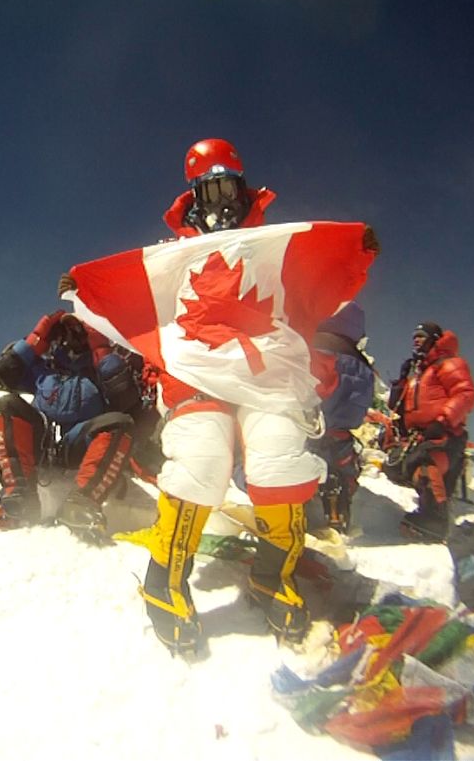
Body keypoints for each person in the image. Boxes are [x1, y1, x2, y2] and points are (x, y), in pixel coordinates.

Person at [134, 138, 377, 651]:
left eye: (230, 186)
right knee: (203, 454)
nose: (223, 201)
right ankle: (165, 580)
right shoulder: (170, 252)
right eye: (211, 189)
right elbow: (137, 302)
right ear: (194, 197)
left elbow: (312, 294)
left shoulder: (273, 244)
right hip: (196, 373)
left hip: (262, 369)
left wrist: (351, 257)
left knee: (280, 455)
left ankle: (273, 574)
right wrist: (90, 292)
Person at [0, 309, 160, 541]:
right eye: (66, 331)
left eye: (79, 331)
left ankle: (82, 502)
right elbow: (3, 375)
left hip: (76, 444)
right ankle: (18, 497)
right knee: (7, 405)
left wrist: (101, 348)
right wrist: (37, 338)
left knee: (119, 423)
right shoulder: (44, 368)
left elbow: (125, 399)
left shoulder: (100, 372)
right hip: (42, 439)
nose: (72, 338)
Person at [386, 322, 474, 541]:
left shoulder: (447, 364)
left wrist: (443, 420)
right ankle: (430, 505)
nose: (416, 340)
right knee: (399, 465)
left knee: (425, 463)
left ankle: (435, 519)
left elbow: (466, 394)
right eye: (414, 336)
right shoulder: (419, 374)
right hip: (420, 435)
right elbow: (397, 406)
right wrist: (400, 382)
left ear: (435, 339)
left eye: (421, 336)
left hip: (444, 435)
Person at [306, 301, 375, 534]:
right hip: (341, 433)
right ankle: (338, 510)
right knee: (340, 463)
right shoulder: (363, 365)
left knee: (300, 461)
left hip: (310, 427)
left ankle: (297, 508)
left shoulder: (317, 349)